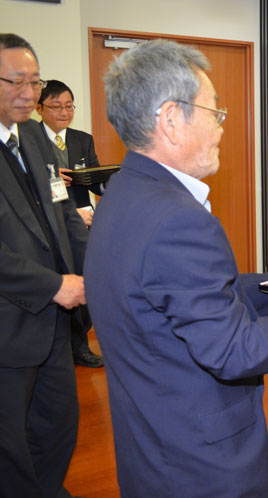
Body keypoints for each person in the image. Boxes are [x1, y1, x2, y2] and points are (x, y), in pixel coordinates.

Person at [83, 39, 268, 497]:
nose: (222, 128)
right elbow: (233, 350)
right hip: (202, 465)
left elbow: (178, 296)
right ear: (170, 120)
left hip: (152, 446)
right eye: (213, 113)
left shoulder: (120, 196)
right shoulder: (177, 219)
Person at [0, 33, 89, 498]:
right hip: (9, 322)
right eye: (16, 81)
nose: (29, 94)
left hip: (55, 323)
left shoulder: (34, 135)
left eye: (35, 82)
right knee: (8, 442)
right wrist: (52, 284)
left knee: (58, 423)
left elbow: (64, 216)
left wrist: (96, 269)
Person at [36, 79, 104, 368]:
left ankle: (80, 345)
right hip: (49, 225)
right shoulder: (30, 141)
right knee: (58, 285)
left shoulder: (81, 139)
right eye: (56, 106)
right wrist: (50, 181)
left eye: (69, 106)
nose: (64, 112)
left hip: (83, 223)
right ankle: (58, 347)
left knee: (89, 279)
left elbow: (95, 179)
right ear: (39, 108)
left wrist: (110, 183)